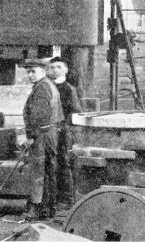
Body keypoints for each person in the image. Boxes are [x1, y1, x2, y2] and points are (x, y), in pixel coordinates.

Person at [22, 58, 63, 220]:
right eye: (28, 72)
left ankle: (37, 208)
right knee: (48, 171)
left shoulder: (42, 88)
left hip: (42, 136)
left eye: (33, 71)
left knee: (40, 172)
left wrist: (30, 137)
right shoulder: (48, 85)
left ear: (43, 71)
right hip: (49, 134)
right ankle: (47, 209)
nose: (30, 75)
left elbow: (39, 116)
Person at [48, 56, 82, 210]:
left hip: (63, 132)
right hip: (51, 131)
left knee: (64, 164)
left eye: (59, 67)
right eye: (53, 67)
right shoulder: (48, 87)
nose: (55, 70)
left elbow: (75, 112)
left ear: (66, 70)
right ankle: (54, 198)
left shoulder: (69, 89)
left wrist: (64, 128)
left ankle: (67, 199)